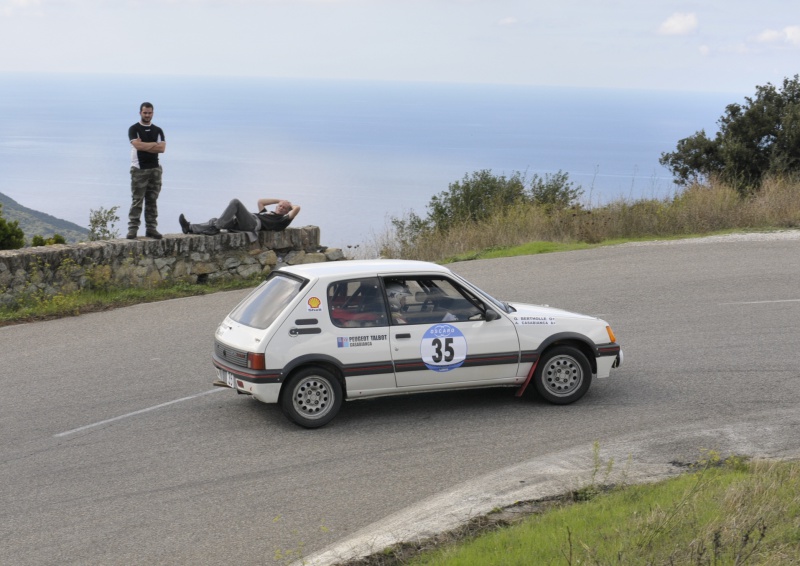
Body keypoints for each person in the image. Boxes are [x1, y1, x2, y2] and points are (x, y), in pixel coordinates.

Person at [179, 198, 301, 241]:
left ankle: (215, 228)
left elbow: (297, 208)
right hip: (244, 222)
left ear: (287, 211)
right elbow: (261, 201)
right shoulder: (268, 212)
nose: (281, 208)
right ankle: (189, 228)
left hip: (253, 224)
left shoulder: (282, 221)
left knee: (235, 202)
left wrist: (290, 205)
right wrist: (279, 200)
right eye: (280, 206)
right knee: (215, 220)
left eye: (284, 208)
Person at [128, 102, 166, 239]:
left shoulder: (158, 130)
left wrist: (144, 145)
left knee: (152, 200)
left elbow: (162, 149)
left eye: (149, 113)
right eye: (145, 113)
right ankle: (132, 229)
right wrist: (153, 144)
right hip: (139, 169)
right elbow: (137, 145)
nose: (147, 115)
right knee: (137, 200)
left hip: (155, 169)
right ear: (140, 113)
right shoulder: (134, 129)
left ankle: (151, 228)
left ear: (153, 113)